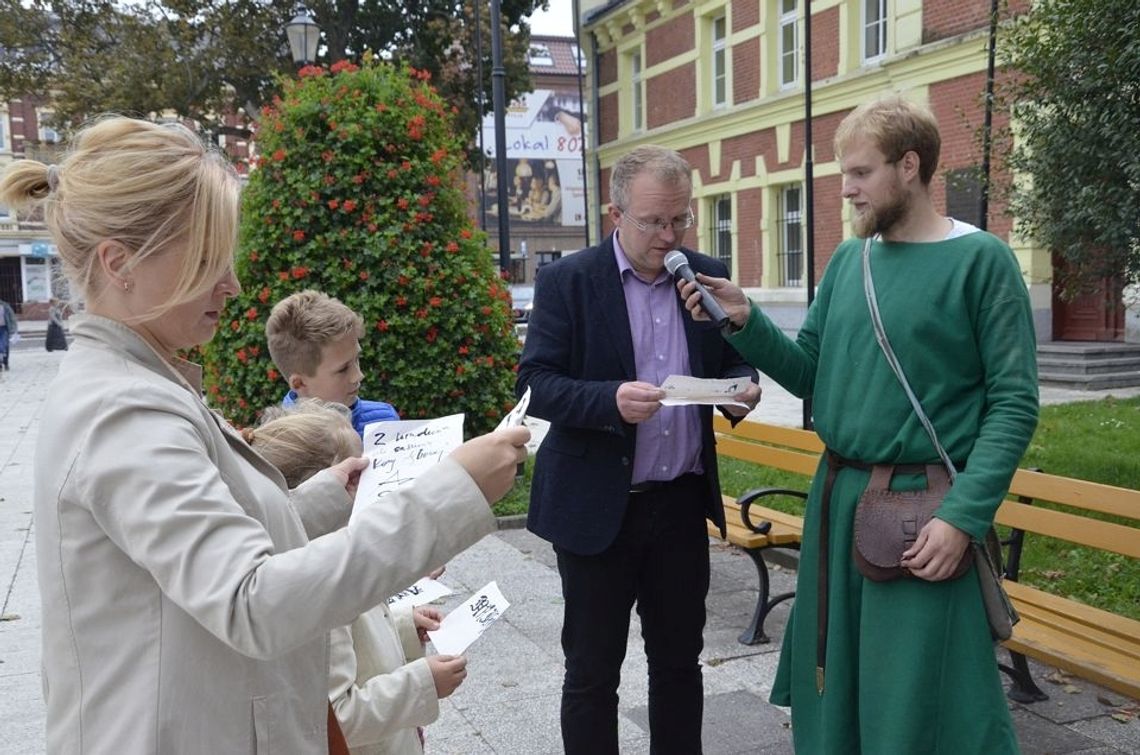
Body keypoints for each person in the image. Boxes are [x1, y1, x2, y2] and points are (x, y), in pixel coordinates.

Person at [0, 115, 530, 753]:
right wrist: (451, 495)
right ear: (120, 264)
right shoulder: (124, 409)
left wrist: (326, 496)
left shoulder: (139, 381)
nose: (233, 284)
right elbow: (253, 601)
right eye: (206, 259)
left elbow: (206, 545)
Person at [678, 95, 1037, 752]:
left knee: (918, 698)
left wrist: (963, 516)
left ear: (909, 166)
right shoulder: (850, 262)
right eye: (844, 174)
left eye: (861, 173)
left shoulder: (983, 262)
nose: (846, 190)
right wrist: (745, 321)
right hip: (839, 506)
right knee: (835, 686)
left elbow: (1014, 404)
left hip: (923, 514)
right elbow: (813, 370)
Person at [517, 144, 762, 754]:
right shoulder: (568, 281)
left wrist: (740, 392)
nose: (668, 235)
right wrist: (609, 400)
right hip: (598, 506)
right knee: (593, 672)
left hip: (678, 505)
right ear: (615, 214)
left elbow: (734, 361)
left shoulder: (703, 275)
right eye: (654, 220)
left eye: (680, 218)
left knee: (680, 663)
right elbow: (534, 386)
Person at [246, 399, 468, 754]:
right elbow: (336, 717)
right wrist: (424, 683)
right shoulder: (317, 587)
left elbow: (357, 642)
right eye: (359, 476)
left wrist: (402, 626)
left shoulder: (335, 554)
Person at [266, 289, 399, 436]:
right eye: (343, 369)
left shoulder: (385, 421)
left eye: (357, 359)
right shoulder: (278, 444)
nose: (359, 375)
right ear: (300, 384)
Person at [0, 297, 17, 370]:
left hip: (4, 328)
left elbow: (12, 317)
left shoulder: (5, 306)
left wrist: (13, 328)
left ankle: (6, 362)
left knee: (5, 346)